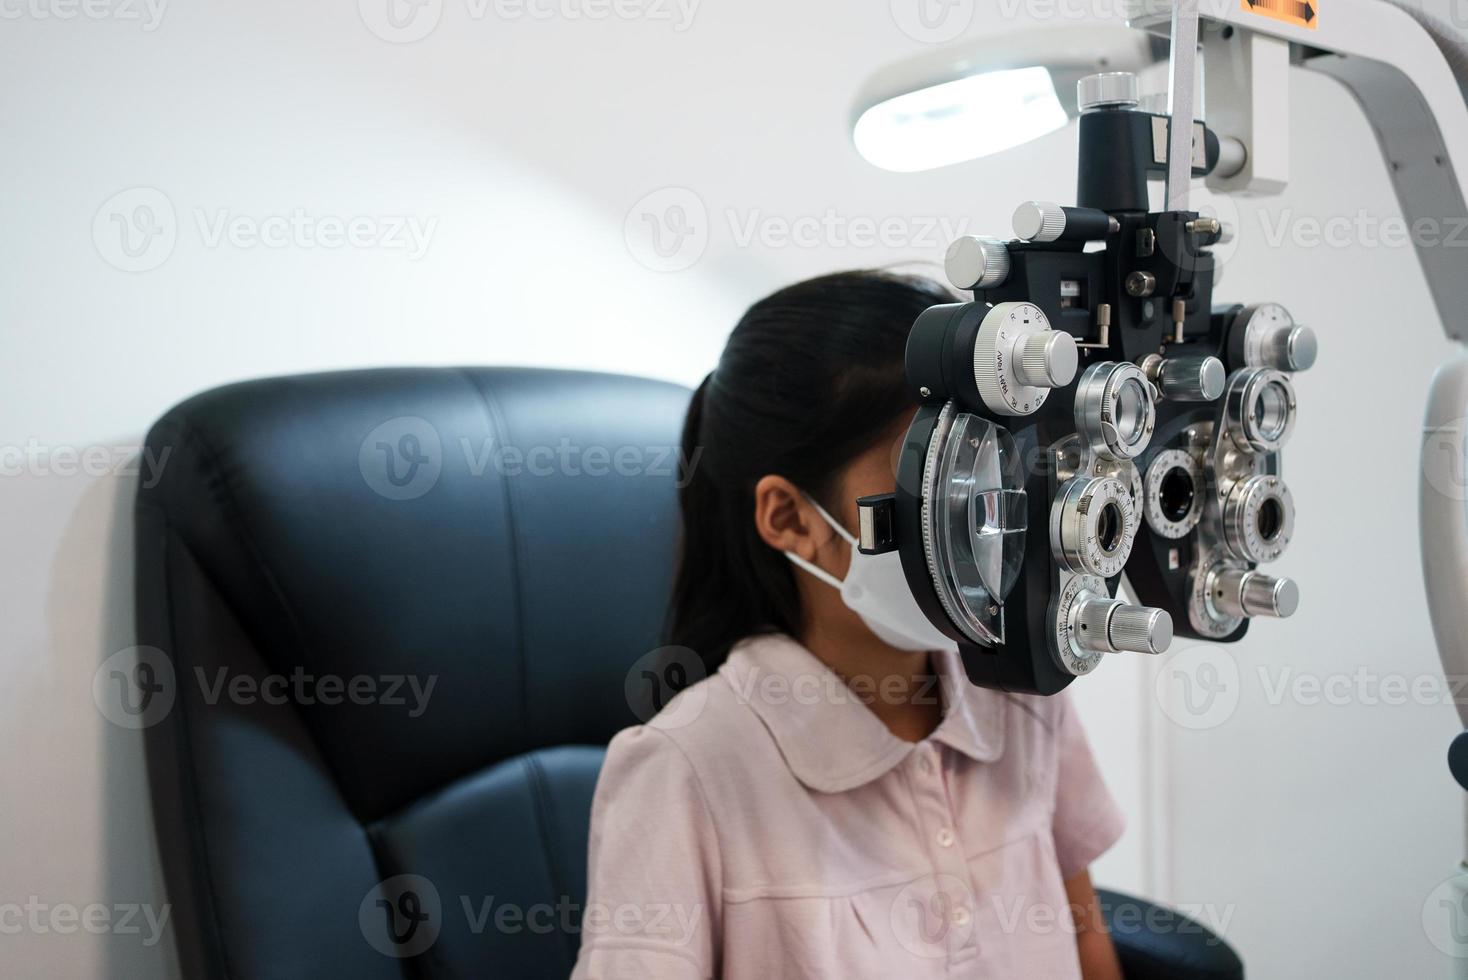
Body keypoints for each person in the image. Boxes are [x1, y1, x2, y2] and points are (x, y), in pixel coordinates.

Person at [571, 270, 1125, 980]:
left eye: (988, 460)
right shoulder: (684, 772)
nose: (983, 512)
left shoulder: (1019, 689)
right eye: (931, 479)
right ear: (791, 519)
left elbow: (1085, 945)